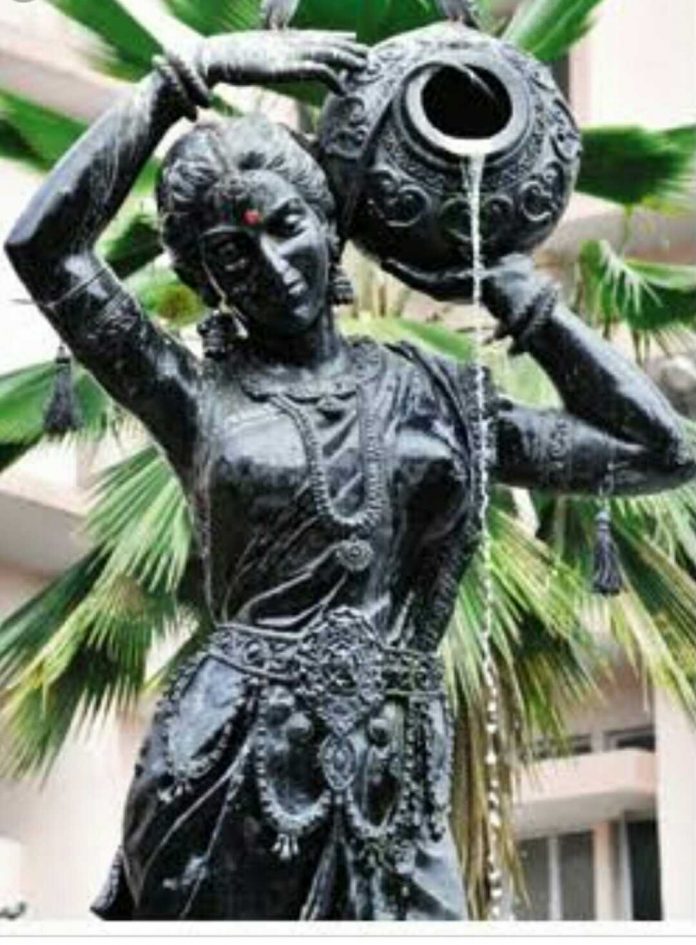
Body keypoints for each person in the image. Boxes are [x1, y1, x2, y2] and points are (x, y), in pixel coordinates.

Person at [5, 30, 694, 921]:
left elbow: (658, 450)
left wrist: (513, 290)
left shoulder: (436, 394)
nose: (272, 267)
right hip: (227, 765)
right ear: (209, 282)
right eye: (232, 256)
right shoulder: (191, 395)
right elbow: (45, 250)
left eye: (286, 227)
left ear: (329, 222)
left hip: (394, 772)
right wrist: (192, 74)